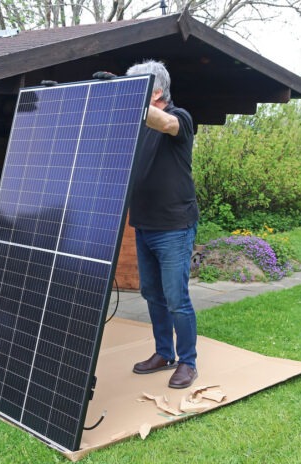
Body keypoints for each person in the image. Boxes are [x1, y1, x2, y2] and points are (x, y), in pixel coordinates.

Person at [126, 60, 200, 389]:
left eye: (136, 87)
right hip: (145, 225)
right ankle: (163, 353)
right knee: (151, 293)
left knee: (176, 298)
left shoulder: (179, 118)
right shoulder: (140, 128)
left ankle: (188, 362)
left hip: (173, 227)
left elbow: (165, 122)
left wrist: (126, 96)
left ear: (156, 90)